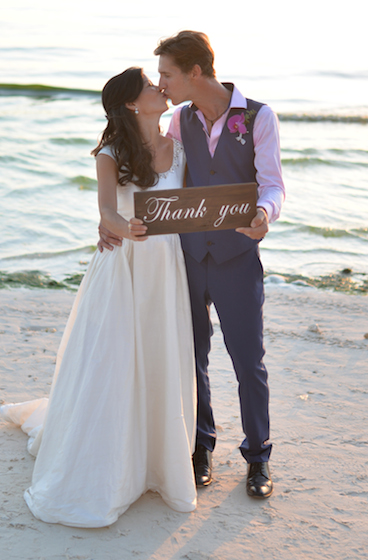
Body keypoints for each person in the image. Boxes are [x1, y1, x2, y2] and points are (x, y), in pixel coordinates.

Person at [0, 67, 197, 527]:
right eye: (151, 85)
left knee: (159, 356)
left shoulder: (181, 150)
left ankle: (157, 460)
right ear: (132, 103)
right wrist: (120, 227)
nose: (159, 88)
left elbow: (191, 207)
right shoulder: (110, 152)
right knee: (113, 361)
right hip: (124, 266)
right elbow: (107, 209)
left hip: (166, 269)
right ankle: (109, 466)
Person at [98, 32, 285, 499]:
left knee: (248, 361)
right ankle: (200, 449)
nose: (161, 83)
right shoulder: (179, 119)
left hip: (237, 258)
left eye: (166, 74)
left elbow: (273, 183)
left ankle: (258, 457)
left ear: (194, 73)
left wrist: (265, 214)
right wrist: (113, 220)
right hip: (184, 257)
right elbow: (152, 168)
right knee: (191, 356)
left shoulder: (258, 117)